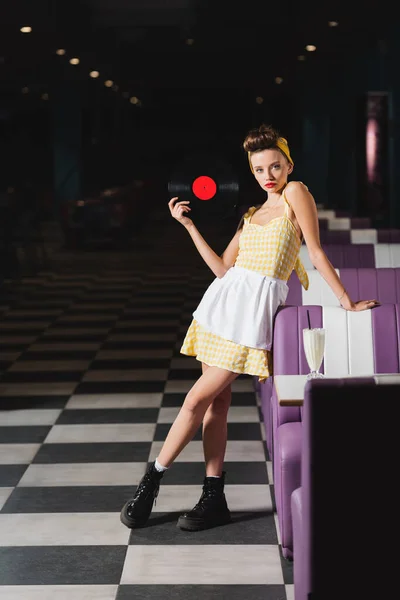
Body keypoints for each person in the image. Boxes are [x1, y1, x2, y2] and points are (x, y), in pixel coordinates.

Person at [120, 124, 380, 532]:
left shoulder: (297, 194)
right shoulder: (251, 214)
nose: (268, 175)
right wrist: (189, 227)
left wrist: (345, 300)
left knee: (194, 402)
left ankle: (151, 480)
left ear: (289, 164)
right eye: (259, 169)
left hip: (250, 317)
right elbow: (224, 270)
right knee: (216, 406)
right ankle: (213, 496)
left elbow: (315, 250)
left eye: (275, 166)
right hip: (222, 306)